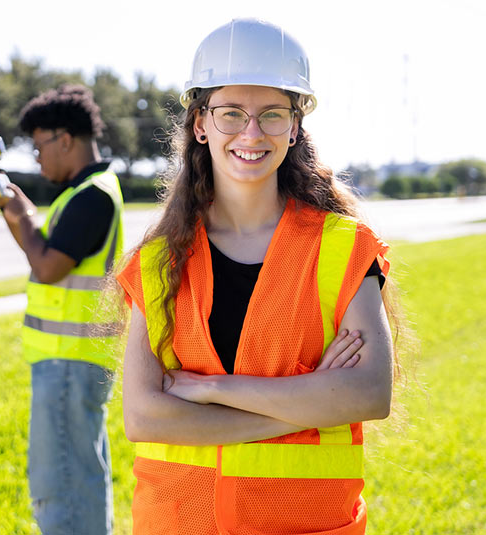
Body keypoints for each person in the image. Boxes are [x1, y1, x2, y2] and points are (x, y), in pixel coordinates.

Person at [114, 18, 400, 534]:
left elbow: (368, 394)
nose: (251, 133)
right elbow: (144, 417)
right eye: (231, 114)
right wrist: (307, 404)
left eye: (271, 114)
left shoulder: (341, 246)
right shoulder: (158, 262)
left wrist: (211, 389)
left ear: (294, 127)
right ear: (200, 123)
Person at [0, 84, 123, 535]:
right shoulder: (86, 193)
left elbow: (48, 266)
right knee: (83, 477)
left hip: (70, 362)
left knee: (63, 483)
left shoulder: (92, 196)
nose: (37, 158)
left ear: (64, 139)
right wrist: (24, 216)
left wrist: (17, 215)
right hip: (72, 360)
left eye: (38, 146)